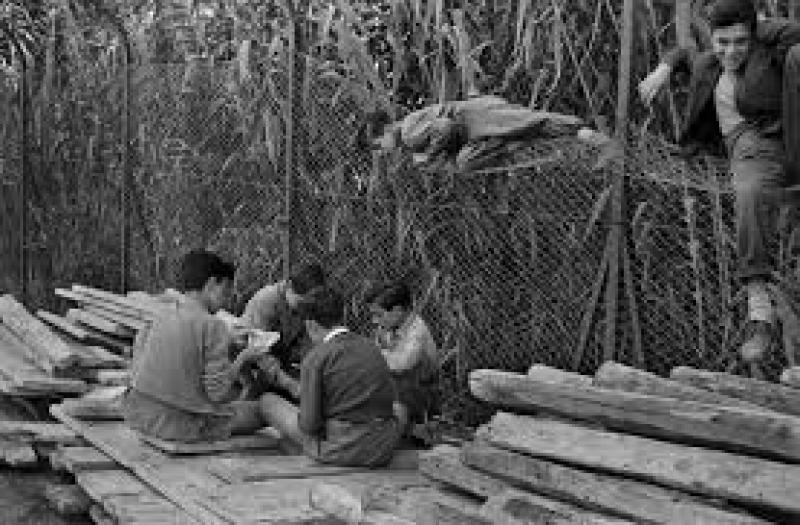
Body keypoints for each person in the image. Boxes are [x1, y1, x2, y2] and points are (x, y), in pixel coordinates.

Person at [638, 0, 800, 367]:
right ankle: (759, 310)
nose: (731, 51)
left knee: (749, 193)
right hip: (729, 150)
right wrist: (663, 68)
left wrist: (757, 25)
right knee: (747, 192)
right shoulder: (708, 64)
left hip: (766, 145)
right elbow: (683, 53)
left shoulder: (768, 55)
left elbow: (794, 35)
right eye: (722, 42)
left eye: (740, 41)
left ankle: (759, 308)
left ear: (754, 35)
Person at [123, 250, 276, 443]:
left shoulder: (160, 314)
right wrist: (244, 357)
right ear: (211, 284)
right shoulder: (213, 325)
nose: (227, 299)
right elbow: (218, 394)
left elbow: (144, 363)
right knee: (265, 407)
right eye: (226, 290)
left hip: (138, 415)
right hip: (179, 426)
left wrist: (225, 341)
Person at [256, 288, 401, 467]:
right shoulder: (372, 348)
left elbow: (309, 426)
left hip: (341, 449)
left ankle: (305, 450)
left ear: (311, 325)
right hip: (382, 447)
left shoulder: (316, 357)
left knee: (267, 402)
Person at [367, 282, 438, 431]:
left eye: (378, 315)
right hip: (397, 387)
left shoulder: (417, 331)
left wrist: (374, 356)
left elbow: (401, 365)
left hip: (419, 393)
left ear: (398, 310)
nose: (374, 321)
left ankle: (399, 430)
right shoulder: (386, 327)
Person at [241, 264, 325, 375]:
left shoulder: (305, 303)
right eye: (301, 302)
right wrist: (289, 384)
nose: (305, 308)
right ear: (289, 286)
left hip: (281, 356)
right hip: (251, 358)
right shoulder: (267, 300)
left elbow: (307, 342)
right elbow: (257, 350)